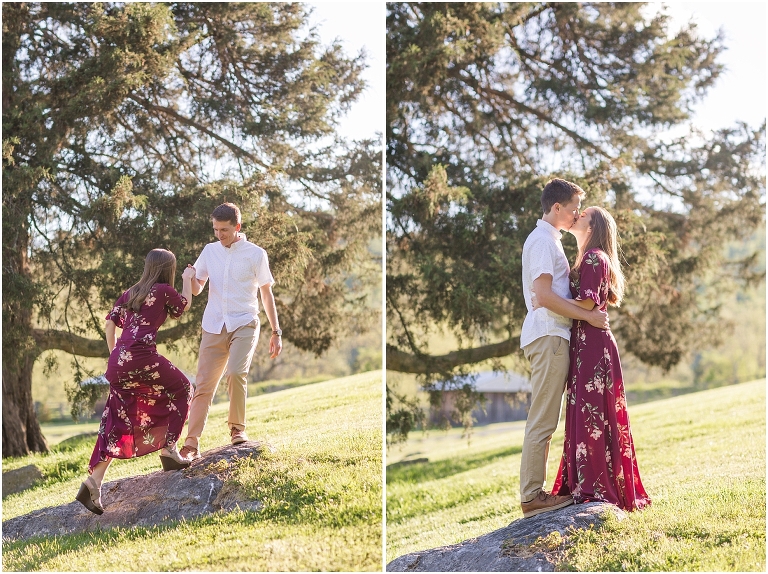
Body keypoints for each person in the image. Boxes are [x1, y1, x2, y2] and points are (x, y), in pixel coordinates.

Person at [547, 206, 651, 511]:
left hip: (593, 347)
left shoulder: (594, 257)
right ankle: (587, 482)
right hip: (587, 344)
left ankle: (593, 487)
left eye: (583, 215)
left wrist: (547, 299)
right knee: (590, 414)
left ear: (592, 227)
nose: (576, 216)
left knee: (592, 415)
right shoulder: (588, 257)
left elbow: (587, 302)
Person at [77, 249, 196, 515]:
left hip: (118, 360)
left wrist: (116, 358)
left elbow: (110, 325)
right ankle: (169, 450)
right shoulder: (164, 289)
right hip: (142, 355)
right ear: (168, 269)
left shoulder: (132, 291)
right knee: (183, 388)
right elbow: (183, 306)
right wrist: (188, 278)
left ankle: (93, 482)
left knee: (116, 419)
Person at [519, 178, 610, 519]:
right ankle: (532, 496)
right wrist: (588, 315)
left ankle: (535, 492)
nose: (575, 214)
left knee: (546, 418)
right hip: (549, 335)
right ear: (556, 208)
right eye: (572, 208)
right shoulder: (543, 241)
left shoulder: (549, 240)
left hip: (552, 336)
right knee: (543, 419)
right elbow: (543, 297)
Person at [179, 203, 282, 461]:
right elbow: (197, 289)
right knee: (203, 385)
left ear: (238, 227)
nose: (219, 235)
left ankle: (237, 428)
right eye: (215, 229)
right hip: (213, 324)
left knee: (236, 372)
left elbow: (266, 294)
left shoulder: (256, 254)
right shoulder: (210, 251)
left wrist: (276, 331)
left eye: (224, 230)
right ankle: (191, 444)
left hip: (244, 322)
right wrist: (189, 277)